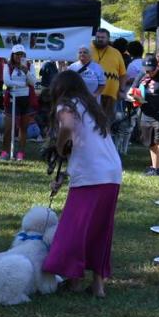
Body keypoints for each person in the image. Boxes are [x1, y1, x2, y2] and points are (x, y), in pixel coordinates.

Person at [42, 70, 123, 299]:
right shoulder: (92, 107)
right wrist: (64, 176)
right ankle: (98, 285)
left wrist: (59, 145)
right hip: (112, 172)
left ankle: (75, 280)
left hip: (91, 176)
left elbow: (67, 128)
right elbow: (87, 148)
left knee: (74, 228)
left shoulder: (66, 105)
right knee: (100, 229)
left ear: (60, 89)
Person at [0, 44, 36, 161]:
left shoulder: (30, 66)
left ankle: (21, 152)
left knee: (23, 128)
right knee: (8, 128)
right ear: (13, 55)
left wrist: (26, 71)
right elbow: (7, 82)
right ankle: (5, 152)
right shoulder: (7, 66)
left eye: (22, 54)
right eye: (17, 54)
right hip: (12, 99)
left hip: (25, 100)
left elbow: (32, 82)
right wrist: (22, 84)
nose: (19, 57)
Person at [90, 28, 126, 126]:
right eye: (98, 37)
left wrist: (122, 90)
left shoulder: (116, 52)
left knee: (108, 121)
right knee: (91, 120)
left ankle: (107, 140)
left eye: (102, 37)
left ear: (108, 39)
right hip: (91, 94)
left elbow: (122, 74)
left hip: (110, 94)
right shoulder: (87, 49)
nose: (100, 39)